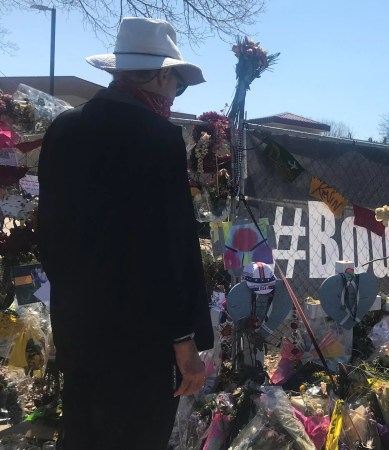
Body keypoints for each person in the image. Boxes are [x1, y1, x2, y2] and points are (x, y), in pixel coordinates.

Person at [37, 17, 213, 450]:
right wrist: (183, 339)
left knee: (83, 437)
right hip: (142, 341)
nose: (174, 95)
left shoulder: (64, 128)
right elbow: (166, 249)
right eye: (178, 85)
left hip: (78, 330)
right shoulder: (158, 138)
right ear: (163, 76)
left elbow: (51, 236)